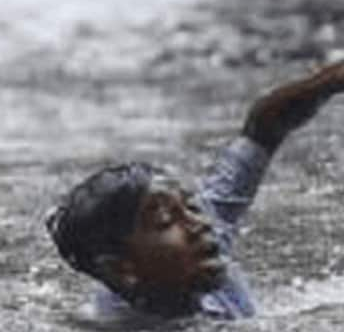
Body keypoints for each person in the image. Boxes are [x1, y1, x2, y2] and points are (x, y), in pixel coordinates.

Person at [48, 59, 344, 322]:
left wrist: (332, 80)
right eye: (166, 221)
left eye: (189, 206)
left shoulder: (197, 247)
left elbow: (263, 128)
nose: (199, 223)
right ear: (122, 269)